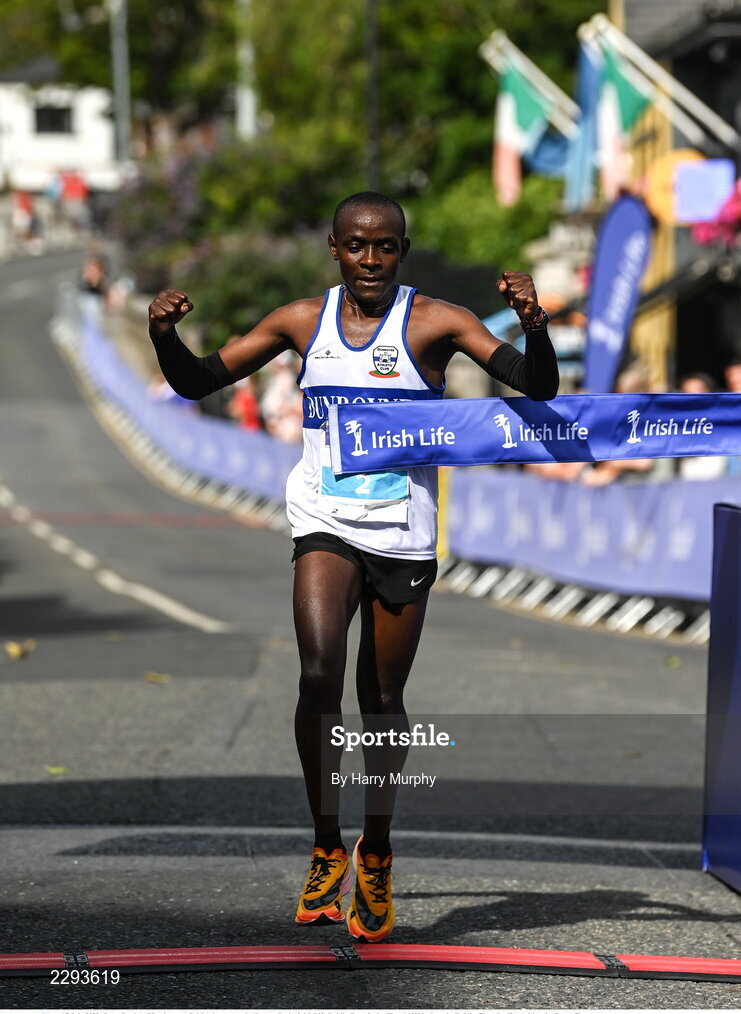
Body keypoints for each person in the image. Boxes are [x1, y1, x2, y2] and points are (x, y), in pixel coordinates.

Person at [147, 191, 558, 942]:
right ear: (334, 249)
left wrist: (535, 327)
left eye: (387, 247)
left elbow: (537, 387)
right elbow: (199, 380)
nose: (372, 260)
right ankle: (325, 842)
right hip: (324, 518)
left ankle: (376, 850)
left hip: (402, 530)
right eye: (357, 246)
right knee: (316, 673)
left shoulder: (437, 321)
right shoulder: (300, 320)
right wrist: (163, 335)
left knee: (380, 695)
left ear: (402, 249)